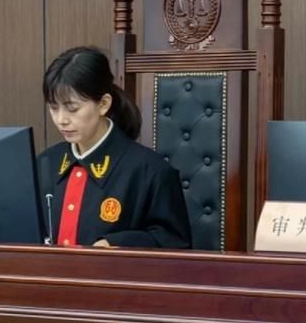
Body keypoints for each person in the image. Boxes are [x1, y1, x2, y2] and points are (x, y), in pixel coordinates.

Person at [37, 46, 191, 248]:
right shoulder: (45, 164)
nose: (61, 120)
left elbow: (175, 244)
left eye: (72, 109)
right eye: (53, 108)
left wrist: (117, 243)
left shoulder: (150, 172)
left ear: (103, 104)